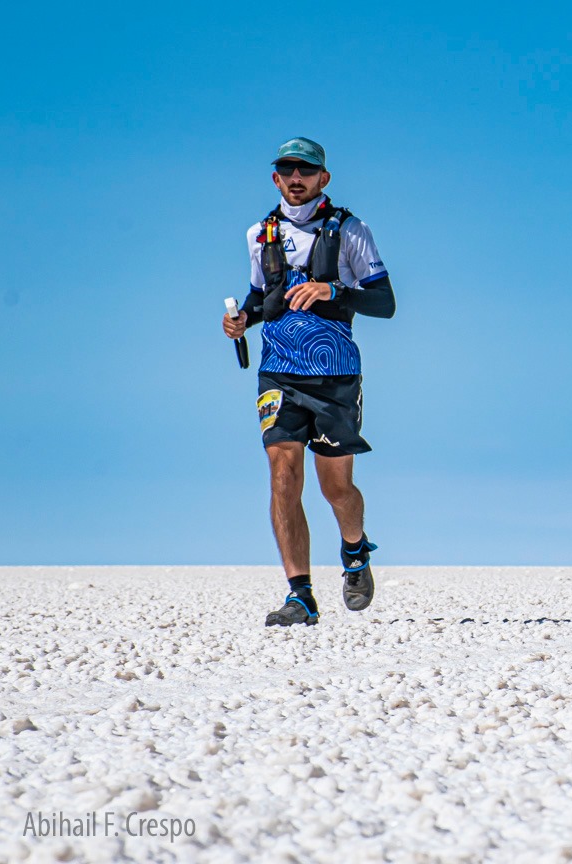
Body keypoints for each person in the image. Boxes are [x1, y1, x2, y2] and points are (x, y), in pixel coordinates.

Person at [222, 137, 396, 626]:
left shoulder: (351, 231)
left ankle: (355, 552)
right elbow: (262, 298)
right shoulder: (260, 234)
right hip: (278, 372)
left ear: (324, 178)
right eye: (287, 170)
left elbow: (385, 303)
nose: (296, 177)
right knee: (282, 475)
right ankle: (301, 595)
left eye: (306, 169)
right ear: (276, 178)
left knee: (336, 489)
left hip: (335, 374)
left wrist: (333, 288)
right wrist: (242, 321)